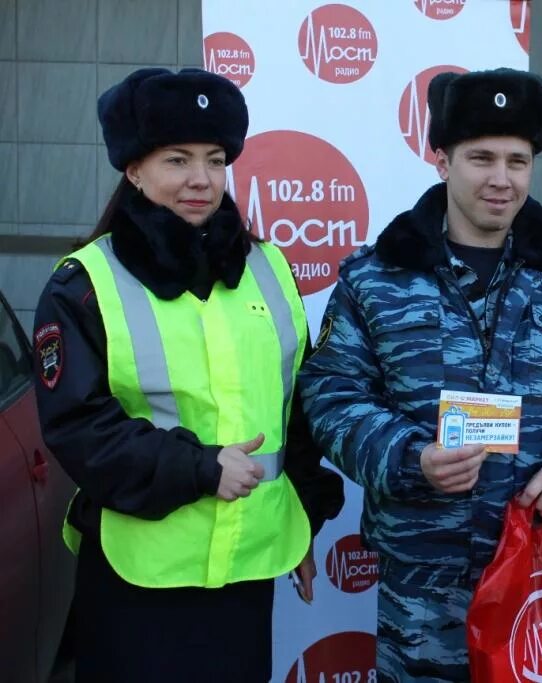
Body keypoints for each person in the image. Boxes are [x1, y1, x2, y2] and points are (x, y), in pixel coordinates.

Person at [298, 67, 542, 682]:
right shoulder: (377, 277)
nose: (501, 179)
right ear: (442, 160)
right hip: (422, 587)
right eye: (481, 158)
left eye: (517, 161)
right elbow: (331, 394)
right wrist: (410, 457)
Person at [31, 68, 343, 683]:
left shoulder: (270, 268)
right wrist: (199, 468)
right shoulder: (85, 283)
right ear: (133, 169)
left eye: (215, 159)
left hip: (249, 567)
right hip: (139, 574)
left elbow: (296, 410)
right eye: (176, 160)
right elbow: (76, 425)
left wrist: (302, 519)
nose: (200, 180)